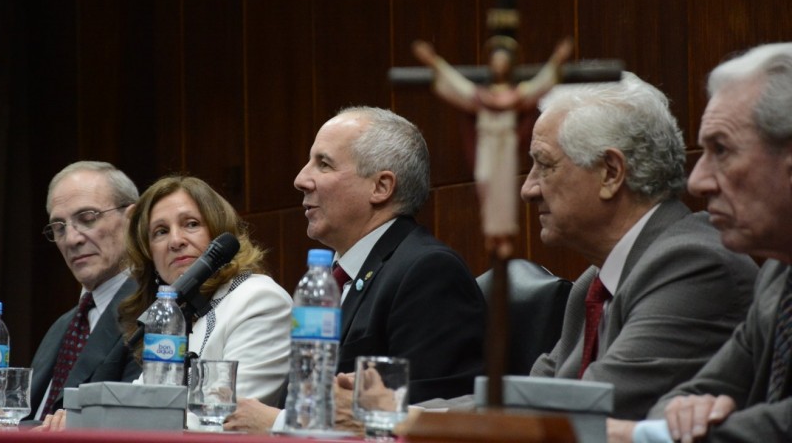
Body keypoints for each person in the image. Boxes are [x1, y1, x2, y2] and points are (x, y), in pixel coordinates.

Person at [224, 106, 486, 433]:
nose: (301, 179)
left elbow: (433, 418)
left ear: (381, 187)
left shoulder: (428, 271)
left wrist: (278, 423)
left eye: (323, 164)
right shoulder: (331, 279)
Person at [523, 72, 758, 419]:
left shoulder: (694, 266)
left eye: (545, 165)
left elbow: (592, 410)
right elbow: (527, 399)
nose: (529, 189)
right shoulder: (594, 283)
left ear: (611, 173)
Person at [609, 43, 792, 443]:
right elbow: (680, 399)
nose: (697, 181)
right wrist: (680, 419)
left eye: (721, 150)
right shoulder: (779, 274)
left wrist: (647, 437)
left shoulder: (696, 261)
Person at [118, 174, 292, 406]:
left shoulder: (259, 300)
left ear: (219, 234)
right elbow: (142, 402)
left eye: (191, 224)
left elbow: (229, 416)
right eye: (161, 231)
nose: (175, 241)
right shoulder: (175, 317)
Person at [412, 38, 572, 257]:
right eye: (495, 62)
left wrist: (558, 60)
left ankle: (504, 234)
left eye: (504, 62)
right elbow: (456, 85)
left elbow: (540, 84)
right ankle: (491, 232)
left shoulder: (517, 95)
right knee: (486, 181)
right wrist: (433, 61)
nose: (499, 66)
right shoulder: (480, 97)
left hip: (505, 145)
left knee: (504, 188)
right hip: (487, 145)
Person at [30, 161, 142, 420]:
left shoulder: (153, 316)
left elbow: (129, 424)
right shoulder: (62, 326)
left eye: (87, 218)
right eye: (59, 227)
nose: (72, 239)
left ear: (132, 219)